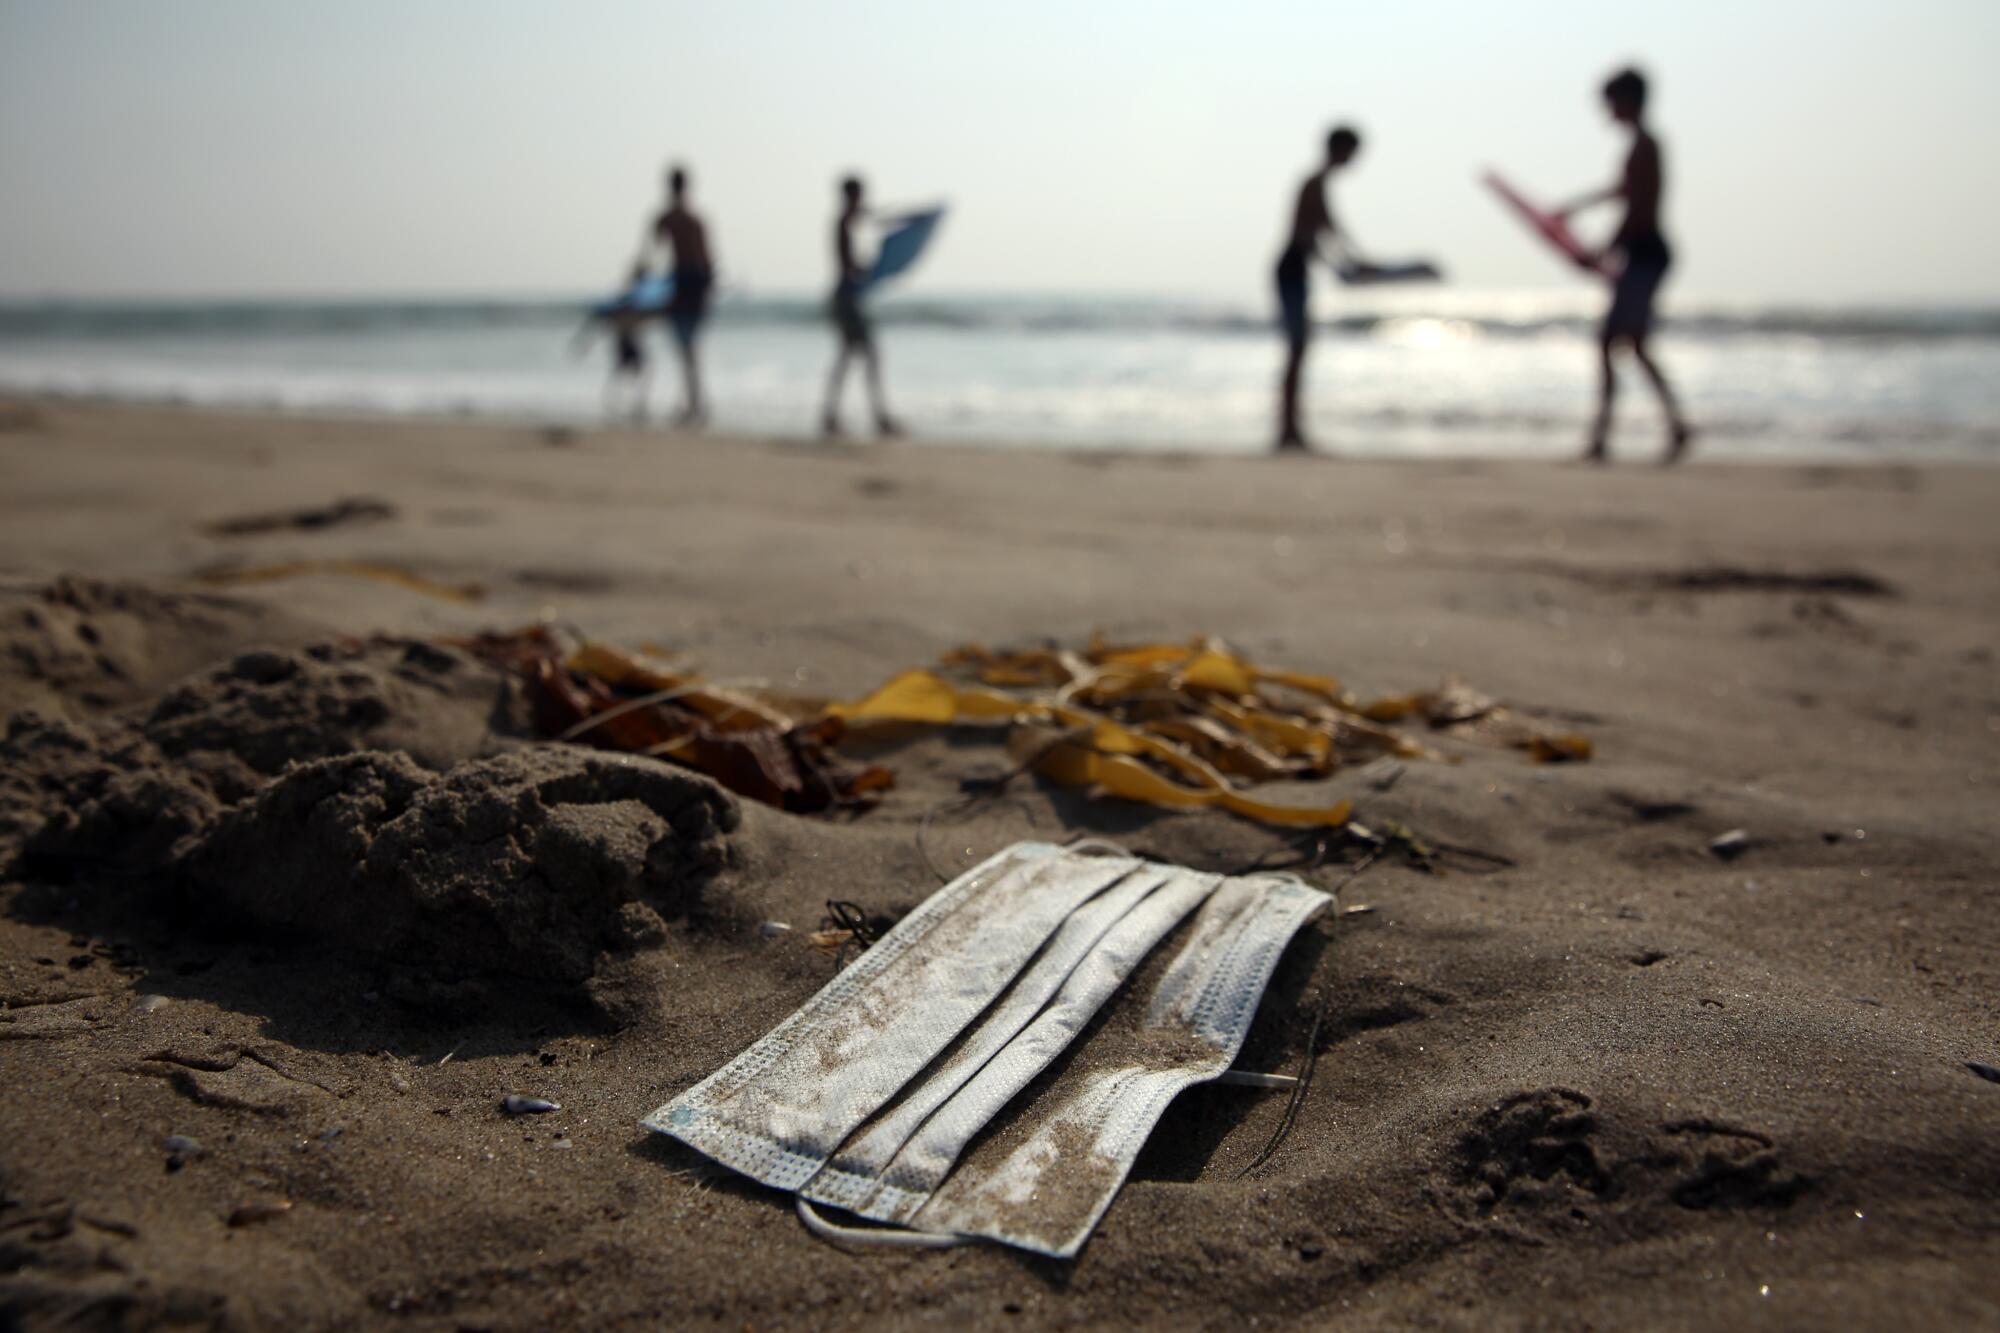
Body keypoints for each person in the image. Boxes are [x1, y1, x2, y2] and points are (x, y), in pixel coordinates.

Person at [1556, 68, 1694, 463]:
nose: (1607, 110)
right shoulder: (1641, 145)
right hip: (1643, 254)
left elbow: (1637, 210)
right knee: (1633, 344)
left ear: (1629, 100)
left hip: (1645, 254)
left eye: (1611, 101)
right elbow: (1621, 190)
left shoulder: (1645, 146)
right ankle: (1674, 427)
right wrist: (1575, 208)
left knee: (1612, 342)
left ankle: (1604, 437)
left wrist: (1603, 251)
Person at [1274, 125, 1375, 452]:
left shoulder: (1320, 183)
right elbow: (1312, 234)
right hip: (1291, 268)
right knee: (1297, 348)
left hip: (1298, 269)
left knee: (1300, 349)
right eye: (1352, 153)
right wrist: (1346, 265)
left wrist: (1354, 262)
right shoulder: (1314, 183)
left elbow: (1331, 231)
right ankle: (1288, 430)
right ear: (1340, 149)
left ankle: (1291, 428)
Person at [821, 175, 901, 438]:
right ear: (853, 195)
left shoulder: (848, 221)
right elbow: (848, 266)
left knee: (849, 358)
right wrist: (870, 269)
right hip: (848, 298)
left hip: (847, 298)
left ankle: (832, 415)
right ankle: (878, 417)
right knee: (868, 356)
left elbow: (872, 217)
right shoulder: (843, 223)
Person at [646, 164, 714, 428]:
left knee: (686, 349)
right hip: (693, 285)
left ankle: (694, 403)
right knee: (689, 349)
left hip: (686, 285)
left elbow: (651, 252)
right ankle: (694, 402)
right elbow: (707, 258)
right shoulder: (693, 219)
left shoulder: (671, 219)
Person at [575, 263, 654, 422]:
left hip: (628, 340)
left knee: (631, 372)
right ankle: (625, 404)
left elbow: (604, 319)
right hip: (625, 340)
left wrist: (585, 342)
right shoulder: (631, 298)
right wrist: (586, 342)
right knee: (631, 372)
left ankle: (626, 403)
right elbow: (606, 319)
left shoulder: (635, 297)